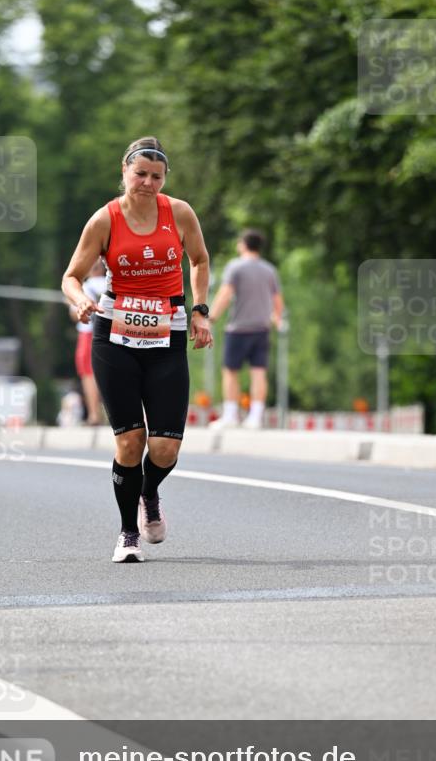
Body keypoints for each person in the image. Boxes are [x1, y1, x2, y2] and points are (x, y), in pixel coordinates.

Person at [62, 136, 213, 563]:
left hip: (167, 336)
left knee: (165, 449)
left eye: (156, 176)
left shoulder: (179, 213)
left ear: (164, 180)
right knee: (130, 443)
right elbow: (71, 276)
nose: (147, 182)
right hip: (114, 337)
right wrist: (80, 300)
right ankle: (128, 534)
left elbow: (199, 260)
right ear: (124, 173)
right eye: (140, 174)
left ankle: (149, 493)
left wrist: (200, 310)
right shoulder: (104, 220)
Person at [209, 229, 283, 429]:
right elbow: (277, 300)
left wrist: (211, 317)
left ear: (243, 244)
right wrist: (277, 318)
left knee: (231, 372)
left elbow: (225, 294)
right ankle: (255, 417)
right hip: (262, 328)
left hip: (238, 328)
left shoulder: (235, 267)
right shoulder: (269, 270)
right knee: (259, 372)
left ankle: (231, 414)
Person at [68, 258, 107, 425]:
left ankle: (94, 414)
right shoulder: (113, 284)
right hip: (111, 333)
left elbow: (75, 314)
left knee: (89, 375)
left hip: (89, 334)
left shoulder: (83, 287)